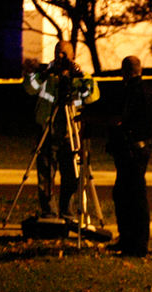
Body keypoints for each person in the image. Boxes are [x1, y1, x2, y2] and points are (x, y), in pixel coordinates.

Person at [22, 40, 99, 220]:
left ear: (73, 56)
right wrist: (46, 72)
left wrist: (79, 76)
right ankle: (49, 212)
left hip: (69, 133)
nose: (61, 57)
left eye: (65, 54)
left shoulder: (79, 77)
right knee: (46, 176)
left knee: (71, 175)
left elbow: (93, 96)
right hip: (47, 131)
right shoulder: (46, 75)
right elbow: (28, 88)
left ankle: (67, 212)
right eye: (58, 53)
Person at [105, 56, 152, 257]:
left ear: (124, 71)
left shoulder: (127, 92)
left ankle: (134, 244)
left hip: (128, 149)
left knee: (128, 196)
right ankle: (132, 241)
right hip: (143, 147)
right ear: (140, 70)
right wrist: (147, 130)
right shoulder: (150, 90)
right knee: (133, 194)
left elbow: (119, 119)